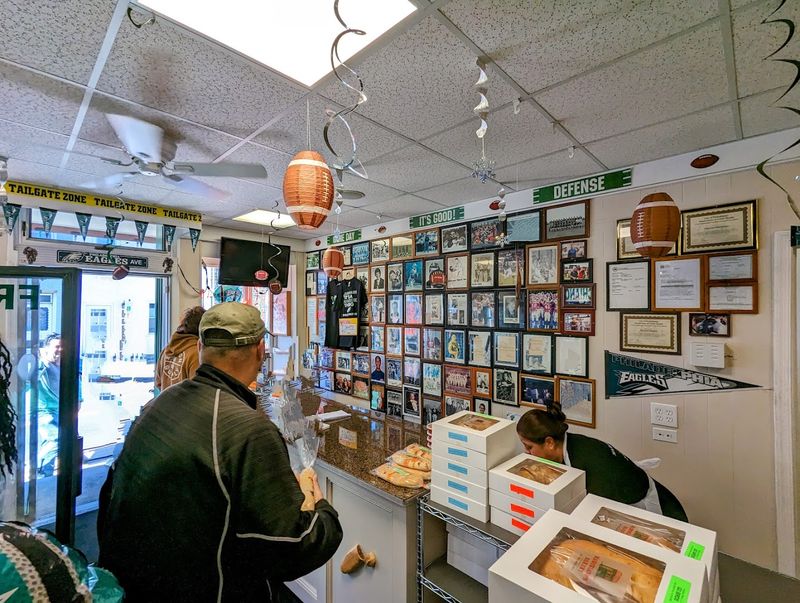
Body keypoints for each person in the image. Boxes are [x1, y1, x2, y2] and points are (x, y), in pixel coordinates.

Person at [98, 302, 343, 601]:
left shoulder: (156, 406)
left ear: (200, 347)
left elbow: (110, 500)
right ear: (260, 350)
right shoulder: (249, 430)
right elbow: (294, 546)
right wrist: (321, 508)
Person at [516, 405, 688, 521]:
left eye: (529, 447)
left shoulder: (590, 464)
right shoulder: (569, 444)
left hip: (655, 511)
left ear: (549, 442)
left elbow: (595, 518)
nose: (527, 453)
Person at [154, 306, 205, 392]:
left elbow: (158, 383)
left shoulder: (166, 351)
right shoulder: (196, 353)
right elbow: (198, 392)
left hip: (165, 404)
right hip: (188, 405)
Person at [36, 333, 61, 476]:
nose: (60, 351)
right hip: (43, 411)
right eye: (57, 347)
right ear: (46, 349)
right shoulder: (41, 365)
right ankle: (40, 468)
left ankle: (45, 472)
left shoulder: (63, 367)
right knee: (57, 439)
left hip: (58, 410)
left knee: (50, 442)